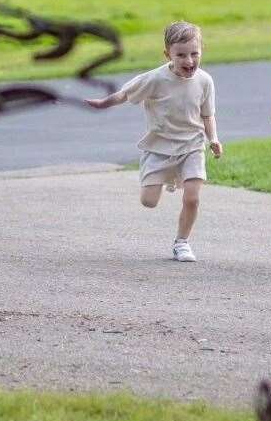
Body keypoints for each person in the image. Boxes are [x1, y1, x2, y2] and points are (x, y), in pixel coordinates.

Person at [86, 20, 223, 261]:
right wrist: (102, 103)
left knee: (192, 197)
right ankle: (164, 176)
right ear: (167, 54)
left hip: (192, 145)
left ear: (202, 50)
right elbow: (125, 94)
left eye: (194, 54)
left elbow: (207, 114)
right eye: (181, 55)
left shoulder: (205, 81)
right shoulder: (155, 79)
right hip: (160, 147)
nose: (189, 61)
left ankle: (182, 243)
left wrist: (213, 138)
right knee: (148, 201)